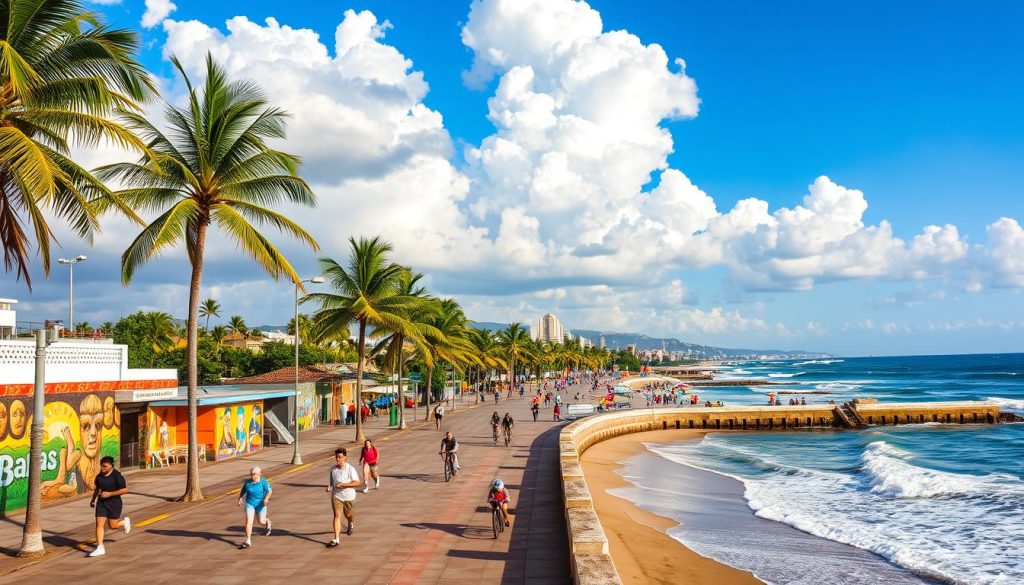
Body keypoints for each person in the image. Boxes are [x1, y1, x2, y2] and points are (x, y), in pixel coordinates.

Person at [88, 456, 130, 557]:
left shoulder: (117, 476)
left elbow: (125, 490)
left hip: (114, 503)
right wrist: (93, 500)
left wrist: (110, 494)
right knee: (99, 525)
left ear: (111, 466)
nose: (102, 468)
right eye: (101, 466)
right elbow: (97, 489)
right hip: (101, 503)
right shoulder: (99, 477)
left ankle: (124, 522)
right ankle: (100, 547)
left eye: (105, 466)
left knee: (113, 525)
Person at [326, 448, 361, 547]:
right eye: (336, 457)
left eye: (340, 457)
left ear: (345, 457)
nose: (338, 459)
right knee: (337, 515)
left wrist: (343, 485)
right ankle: (336, 539)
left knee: (348, 514)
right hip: (337, 496)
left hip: (348, 496)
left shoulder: (350, 469)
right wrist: (330, 488)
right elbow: (332, 484)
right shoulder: (333, 469)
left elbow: (357, 483)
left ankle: (350, 523)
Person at [237, 466, 272, 549]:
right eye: (252, 474)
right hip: (250, 504)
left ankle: (268, 522)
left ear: (260, 474)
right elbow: (243, 490)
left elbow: (269, 491)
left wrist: (266, 498)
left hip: (261, 504)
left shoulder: (263, 481)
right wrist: (240, 498)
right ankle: (248, 540)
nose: (253, 476)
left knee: (261, 521)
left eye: (255, 474)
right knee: (249, 522)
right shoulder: (248, 483)